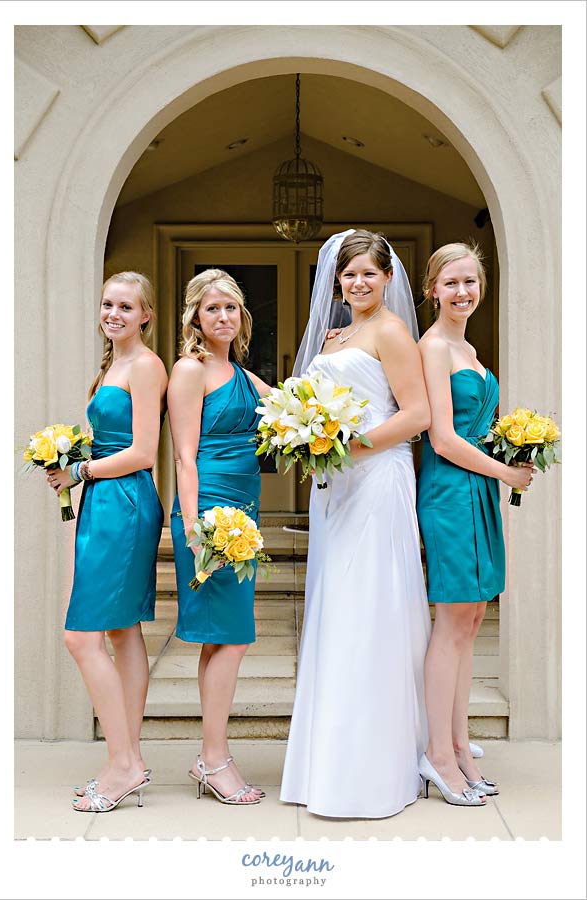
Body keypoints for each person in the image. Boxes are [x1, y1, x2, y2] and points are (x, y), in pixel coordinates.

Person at [280, 230, 432, 818]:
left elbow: (416, 415)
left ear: (388, 277)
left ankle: (371, 768)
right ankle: (327, 760)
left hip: (376, 481)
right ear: (336, 282)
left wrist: (346, 445)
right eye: (349, 275)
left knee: (370, 606)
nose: (358, 283)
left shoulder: (392, 332)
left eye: (370, 273)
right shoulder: (333, 336)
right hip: (335, 488)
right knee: (336, 606)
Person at [416, 243, 535, 806]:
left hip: (478, 487)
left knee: (473, 617)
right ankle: (437, 755)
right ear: (432, 289)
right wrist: (505, 473)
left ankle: (460, 746)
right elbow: (441, 438)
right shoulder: (433, 346)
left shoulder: (468, 347)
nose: (462, 292)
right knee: (452, 619)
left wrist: (518, 447)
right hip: (449, 490)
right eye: (451, 283)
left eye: (470, 282)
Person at [47, 272, 168, 812]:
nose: (113, 314)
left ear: (145, 315)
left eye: (125, 306)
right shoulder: (111, 367)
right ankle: (128, 758)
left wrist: (80, 471)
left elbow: (142, 451)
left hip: (125, 503)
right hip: (105, 501)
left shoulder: (145, 366)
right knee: (122, 630)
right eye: (107, 304)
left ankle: (124, 764)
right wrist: (69, 459)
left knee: (81, 637)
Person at [168, 269, 271, 805]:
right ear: (195, 317)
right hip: (210, 517)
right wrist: (193, 527)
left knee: (223, 637)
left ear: (242, 316)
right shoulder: (190, 370)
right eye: (212, 308)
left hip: (244, 513)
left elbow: (298, 406)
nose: (223, 316)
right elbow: (184, 456)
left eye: (231, 307)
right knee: (233, 637)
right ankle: (215, 759)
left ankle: (211, 756)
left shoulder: (243, 375)